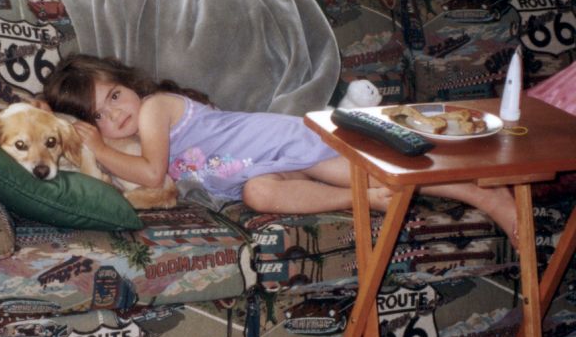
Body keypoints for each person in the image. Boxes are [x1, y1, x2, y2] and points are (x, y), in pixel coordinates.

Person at [41, 54, 518, 243]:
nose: (114, 116)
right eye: (97, 116)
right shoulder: (130, 133)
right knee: (259, 195)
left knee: (376, 171)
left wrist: (97, 145)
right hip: (262, 172)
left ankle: (479, 192)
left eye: (114, 96)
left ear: (127, 82)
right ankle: (367, 200)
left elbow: (151, 174)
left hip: (280, 141)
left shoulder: (153, 109)